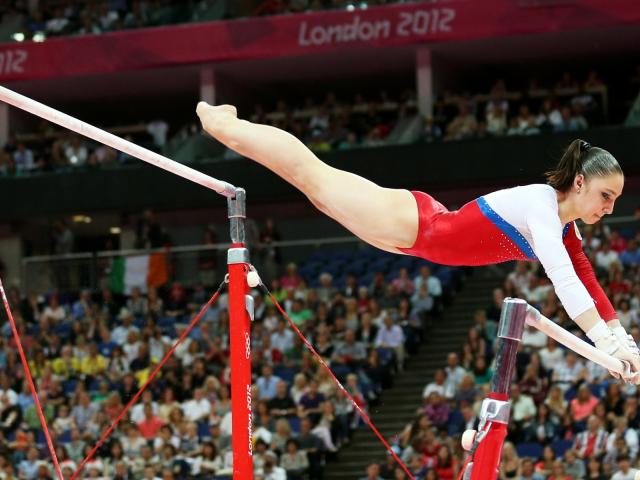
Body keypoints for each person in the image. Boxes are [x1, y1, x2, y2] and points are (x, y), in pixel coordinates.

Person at [196, 102, 640, 381]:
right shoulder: (542, 206)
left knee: (313, 186)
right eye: (606, 196)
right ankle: (224, 124)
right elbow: (564, 279)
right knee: (312, 175)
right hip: (414, 222)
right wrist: (602, 341)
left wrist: (624, 343)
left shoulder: (566, 230)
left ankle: (233, 127)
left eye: (616, 200)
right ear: (579, 182)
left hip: (408, 239)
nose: (609, 208)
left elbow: (588, 281)